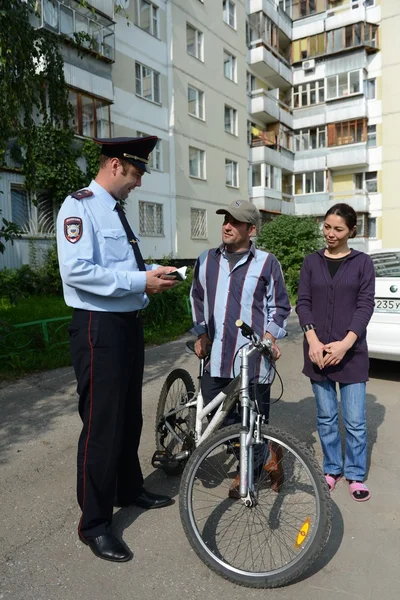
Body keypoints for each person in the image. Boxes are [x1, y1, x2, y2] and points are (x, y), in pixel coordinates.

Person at [56, 136, 179, 563]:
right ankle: (93, 524)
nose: (139, 183)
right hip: (98, 327)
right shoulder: (80, 206)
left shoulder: (115, 211)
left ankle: (129, 490)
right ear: (114, 165)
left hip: (127, 324)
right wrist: (138, 282)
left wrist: (151, 273)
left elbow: (119, 269)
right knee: (102, 425)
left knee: (130, 416)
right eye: (135, 174)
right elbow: (77, 271)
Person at [190, 200, 291, 496]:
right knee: (220, 422)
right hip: (217, 358)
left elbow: (281, 306)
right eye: (225, 220)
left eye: (235, 222)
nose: (227, 226)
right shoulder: (206, 259)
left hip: (253, 360)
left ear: (252, 229)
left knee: (253, 421)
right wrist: (201, 333)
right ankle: (266, 455)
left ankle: (247, 474)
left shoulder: (267, 262)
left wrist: (271, 337)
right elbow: (197, 299)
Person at [296, 203, 375, 502]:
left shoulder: (362, 263)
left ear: (351, 231)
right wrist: (313, 341)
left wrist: (345, 344)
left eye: (338, 229)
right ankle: (332, 468)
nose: (330, 233)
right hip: (318, 353)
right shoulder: (311, 262)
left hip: (351, 353)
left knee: (355, 420)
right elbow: (302, 302)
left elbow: (365, 305)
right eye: (327, 227)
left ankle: (355, 473)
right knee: (327, 417)